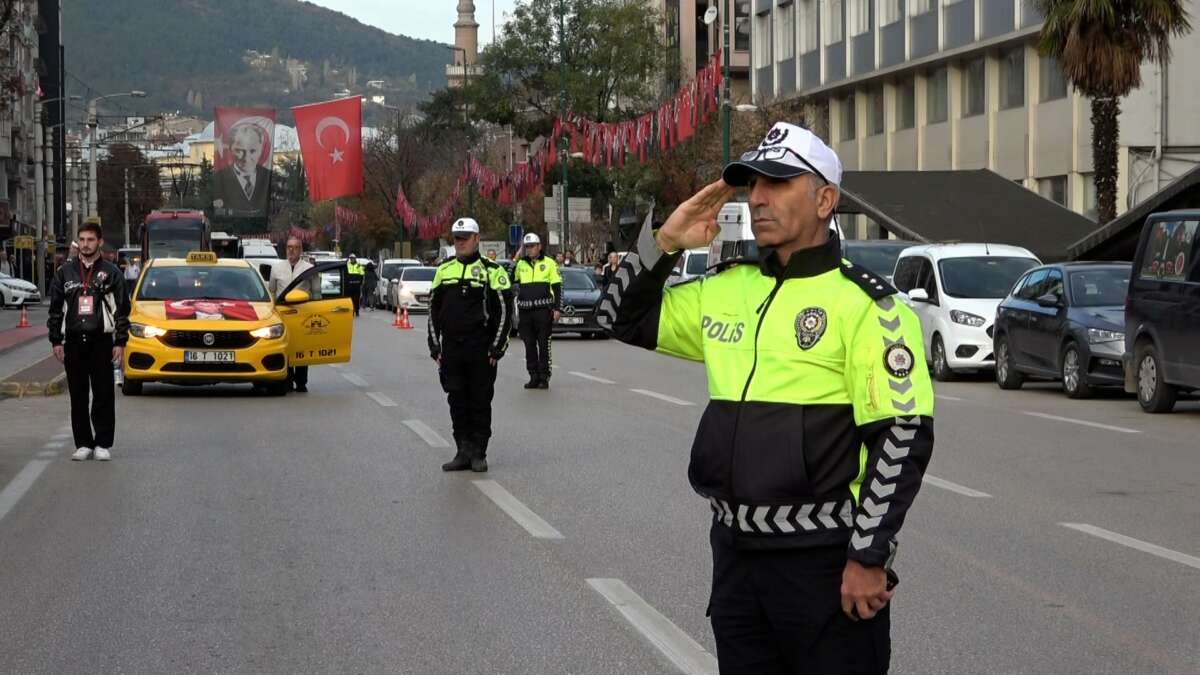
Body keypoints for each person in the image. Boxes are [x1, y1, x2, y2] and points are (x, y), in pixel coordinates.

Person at [599, 122, 935, 674]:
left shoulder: (869, 305)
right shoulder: (726, 287)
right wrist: (663, 240)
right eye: (752, 184)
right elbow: (618, 317)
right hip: (735, 558)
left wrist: (868, 556)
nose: (757, 198)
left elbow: (902, 434)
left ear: (825, 199)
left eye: (777, 184)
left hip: (824, 564)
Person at [427, 218, 513, 472]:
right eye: (456, 238)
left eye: (465, 238)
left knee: (479, 401)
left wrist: (497, 348)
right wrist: (434, 345)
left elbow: (505, 312)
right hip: (452, 349)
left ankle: (479, 452)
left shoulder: (492, 270)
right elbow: (433, 310)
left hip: (481, 348)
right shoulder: (444, 270)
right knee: (456, 400)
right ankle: (462, 450)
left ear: (477, 239)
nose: (460, 243)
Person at [47, 221, 130, 461]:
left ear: (100, 242)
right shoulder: (65, 272)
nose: (85, 244)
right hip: (73, 342)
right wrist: (56, 341)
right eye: (82, 240)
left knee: (103, 393)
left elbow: (122, 310)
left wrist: (120, 341)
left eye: (90, 240)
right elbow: (55, 310)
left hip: (102, 341)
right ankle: (83, 443)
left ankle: (103, 443)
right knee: (78, 395)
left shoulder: (112, 273)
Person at [511, 233, 562, 389]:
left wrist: (557, 308)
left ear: (539, 246)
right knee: (529, 345)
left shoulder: (550, 263)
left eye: (532, 246)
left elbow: (557, 287)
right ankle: (533, 375)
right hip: (526, 311)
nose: (530, 249)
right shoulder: (521, 264)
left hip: (543, 310)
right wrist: (516, 259)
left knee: (543, 344)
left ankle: (544, 377)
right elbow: (510, 278)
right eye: (527, 247)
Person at [270, 237, 320, 392]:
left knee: (302, 348)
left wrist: (318, 311)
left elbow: (317, 293)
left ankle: (301, 382)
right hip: (283, 315)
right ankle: (287, 379)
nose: (291, 250)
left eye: (295, 247)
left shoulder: (309, 269)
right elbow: (272, 291)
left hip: (303, 314)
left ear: (301, 250)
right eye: (288, 247)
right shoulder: (277, 268)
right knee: (285, 346)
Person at [212, 124, 272, 217]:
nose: (246, 158)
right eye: (239, 151)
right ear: (231, 149)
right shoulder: (219, 178)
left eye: (252, 151)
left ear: (261, 150)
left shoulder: (268, 176)